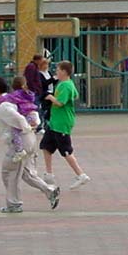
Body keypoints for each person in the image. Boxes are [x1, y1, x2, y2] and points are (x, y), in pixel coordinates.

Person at [0, 77, 61, 214]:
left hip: (20, 142)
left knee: (9, 172)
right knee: (26, 174)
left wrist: (26, 128)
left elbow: (19, 119)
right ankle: (50, 191)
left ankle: (14, 204)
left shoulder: (4, 106)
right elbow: (32, 114)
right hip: (28, 140)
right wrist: (31, 127)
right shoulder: (12, 100)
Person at [40, 61, 90, 190]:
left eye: (58, 70)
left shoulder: (66, 86)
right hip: (54, 122)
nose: (56, 72)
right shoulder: (63, 84)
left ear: (64, 71)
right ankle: (49, 174)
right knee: (46, 146)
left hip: (62, 123)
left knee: (66, 150)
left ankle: (81, 174)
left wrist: (50, 97)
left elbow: (60, 102)